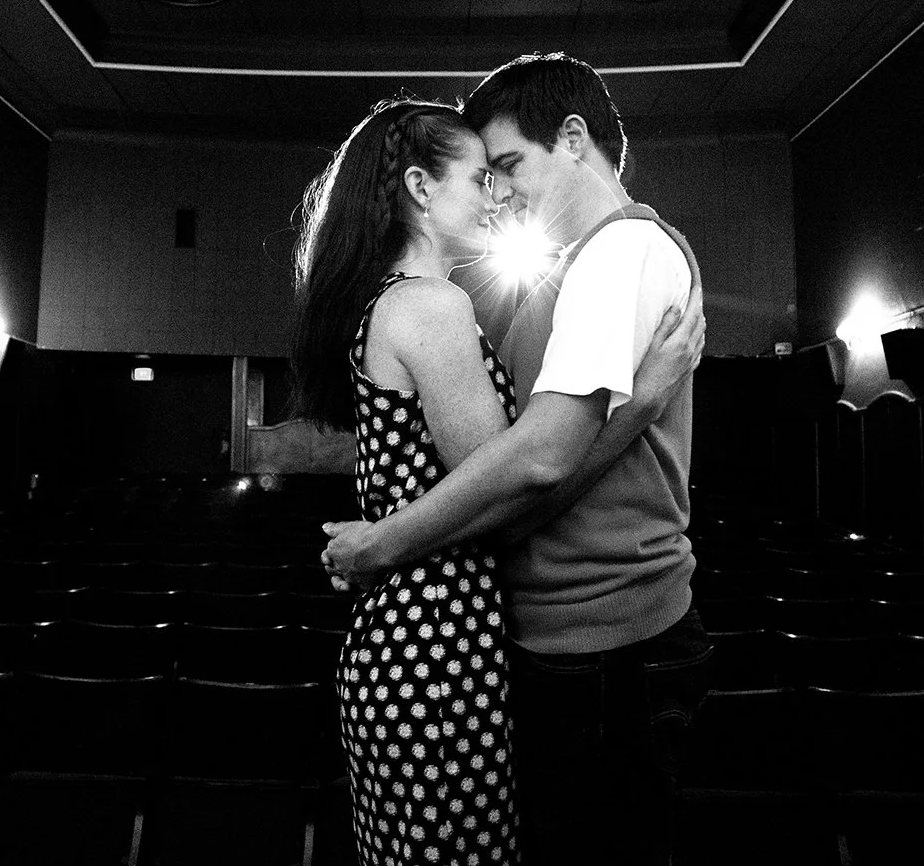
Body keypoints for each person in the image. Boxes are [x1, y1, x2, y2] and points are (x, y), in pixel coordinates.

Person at [292, 96, 704, 866]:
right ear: (419, 187)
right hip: (438, 637)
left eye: (501, 172)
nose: (495, 197)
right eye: (480, 178)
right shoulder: (433, 305)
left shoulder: (394, 303)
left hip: (412, 636)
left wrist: (383, 542)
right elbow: (524, 480)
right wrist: (644, 399)